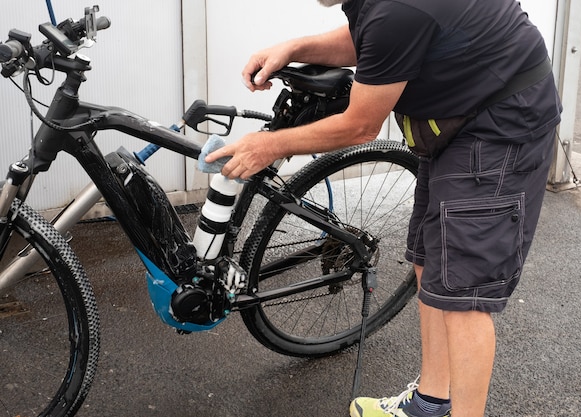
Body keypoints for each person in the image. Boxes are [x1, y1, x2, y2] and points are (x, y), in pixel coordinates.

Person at [205, 0, 562, 416]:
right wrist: (295, 47)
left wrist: (267, 145)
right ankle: (429, 404)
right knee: (431, 261)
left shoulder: (398, 7)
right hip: (456, 119)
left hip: (499, 128)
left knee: (464, 293)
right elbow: (371, 39)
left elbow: (361, 124)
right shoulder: (384, 10)